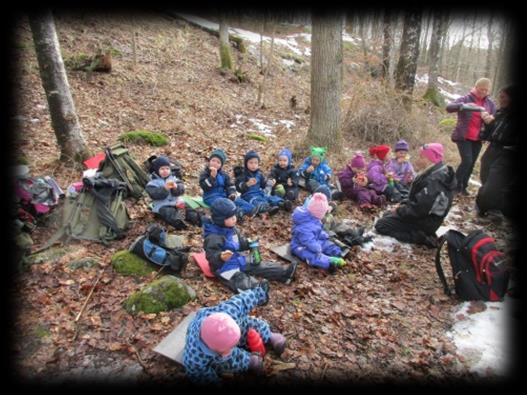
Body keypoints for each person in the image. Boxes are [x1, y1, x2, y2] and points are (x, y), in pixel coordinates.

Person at [183, 285, 287, 384]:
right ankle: (249, 361)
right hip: (214, 353)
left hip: (232, 326)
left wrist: (260, 293)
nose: (234, 347)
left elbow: (242, 301)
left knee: (250, 324)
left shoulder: (229, 311)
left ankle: (269, 335)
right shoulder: (195, 356)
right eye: (230, 347)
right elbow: (199, 375)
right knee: (226, 361)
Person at [203, 198, 297, 292]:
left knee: (257, 265)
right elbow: (211, 256)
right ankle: (257, 291)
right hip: (222, 267)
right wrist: (220, 257)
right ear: (220, 219)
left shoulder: (232, 229)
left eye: (234, 215)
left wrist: (248, 243)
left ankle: (284, 274)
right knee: (238, 278)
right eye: (230, 217)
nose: (234, 218)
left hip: (236, 259)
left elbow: (239, 243)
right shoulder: (213, 237)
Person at [374, 143, 457, 248]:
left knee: (381, 225)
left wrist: (400, 210)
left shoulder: (435, 180)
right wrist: (401, 205)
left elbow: (419, 209)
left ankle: (421, 237)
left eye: (421, 157)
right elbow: (416, 199)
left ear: (430, 159)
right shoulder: (435, 172)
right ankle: (422, 233)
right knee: (387, 215)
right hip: (425, 218)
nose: (418, 159)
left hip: (424, 221)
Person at [446, 78, 496, 196]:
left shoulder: (490, 104)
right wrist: (463, 106)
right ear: (476, 87)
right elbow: (449, 107)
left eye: (486, 90)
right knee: (467, 161)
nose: (483, 92)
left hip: (478, 138)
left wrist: (489, 118)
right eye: (481, 89)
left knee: (472, 163)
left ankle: (464, 187)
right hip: (463, 136)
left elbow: (495, 117)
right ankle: (455, 187)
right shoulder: (466, 99)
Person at [476, 85, 518, 218]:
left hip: (507, 153)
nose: (500, 99)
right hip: (492, 149)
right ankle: (484, 207)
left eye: (503, 97)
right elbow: (489, 133)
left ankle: (489, 208)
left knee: (494, 182)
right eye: (500, 96)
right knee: (485, 177)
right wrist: (487, 123)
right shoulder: (500, 113)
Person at [291, 192, 346, 273]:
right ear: (319, 213)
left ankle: (337, 252)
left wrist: (324, 235)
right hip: (300, 245)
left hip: (314, 240)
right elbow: (308, 241)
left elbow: (318, 231)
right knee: (312, 255)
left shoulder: (315, 219)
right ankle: (329, 263)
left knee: (326, 243)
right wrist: (317, 248)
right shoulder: (305, 227)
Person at [199, 148, 256, 219]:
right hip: (211, 197)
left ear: (221, 165)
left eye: (218, 162)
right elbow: (204, 186)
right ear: (209, 161)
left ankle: (242, 211)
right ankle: (236, 213)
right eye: (213, 160)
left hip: (224, 196)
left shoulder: (224, 175)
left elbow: (230, 186)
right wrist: (212, 177)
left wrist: (231, 193)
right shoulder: (205, 173)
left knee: (246, 205)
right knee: (224, 206)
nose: (215, 163)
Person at [145, 156, 201, 229]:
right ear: (156, 170)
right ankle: (182, 224)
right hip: (162, 206)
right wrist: (164, 189)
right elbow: (154, 195)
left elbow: (181, 190)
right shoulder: (152, 183)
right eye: (162, 169)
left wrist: (176, 187)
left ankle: (196, 219)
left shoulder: (173, 179)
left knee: (187, 207)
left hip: (175, 202)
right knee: (169, 213)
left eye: (167, 168)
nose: (165, 171)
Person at [234, 150, 292, 216]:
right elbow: (238, 188)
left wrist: (269, 183)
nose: (253, 165)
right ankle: (268, 209)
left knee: (269, 197)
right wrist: (247, 184)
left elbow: (263, 185)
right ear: (246, 163)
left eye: (256, 163)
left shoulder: (259, 174)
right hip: (248, 195)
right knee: (256, 201)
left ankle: (282, 203)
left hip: (259, 193)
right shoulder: (242, 174)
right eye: (251, 163)